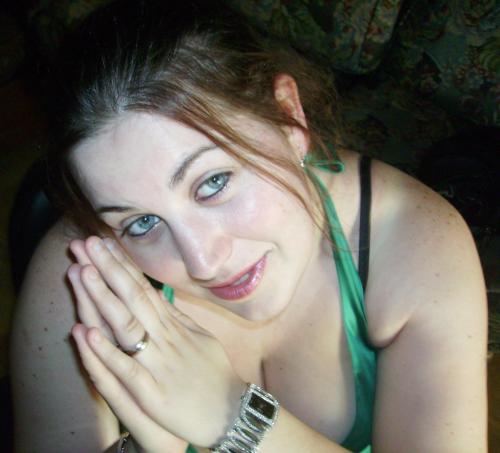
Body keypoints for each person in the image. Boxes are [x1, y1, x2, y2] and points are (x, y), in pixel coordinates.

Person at [9, 1, 488, 452]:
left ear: (288, 116)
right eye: (142, 223)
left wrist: (233, 417)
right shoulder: (79, 274)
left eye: (213, 182)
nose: (203, 262)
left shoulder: (416, 245)